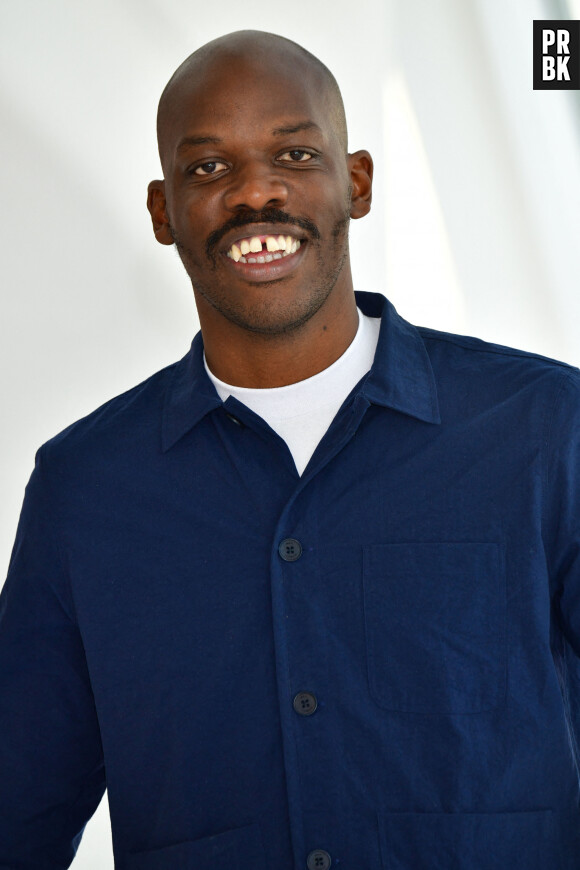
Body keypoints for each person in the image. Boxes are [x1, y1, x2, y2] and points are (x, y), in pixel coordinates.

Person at [1, 28, 580, 870]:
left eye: (296, 153)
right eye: (208, 168)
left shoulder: (545, 428)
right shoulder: (84, 491)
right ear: (164, 212)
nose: (255, 192)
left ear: (357, 182)